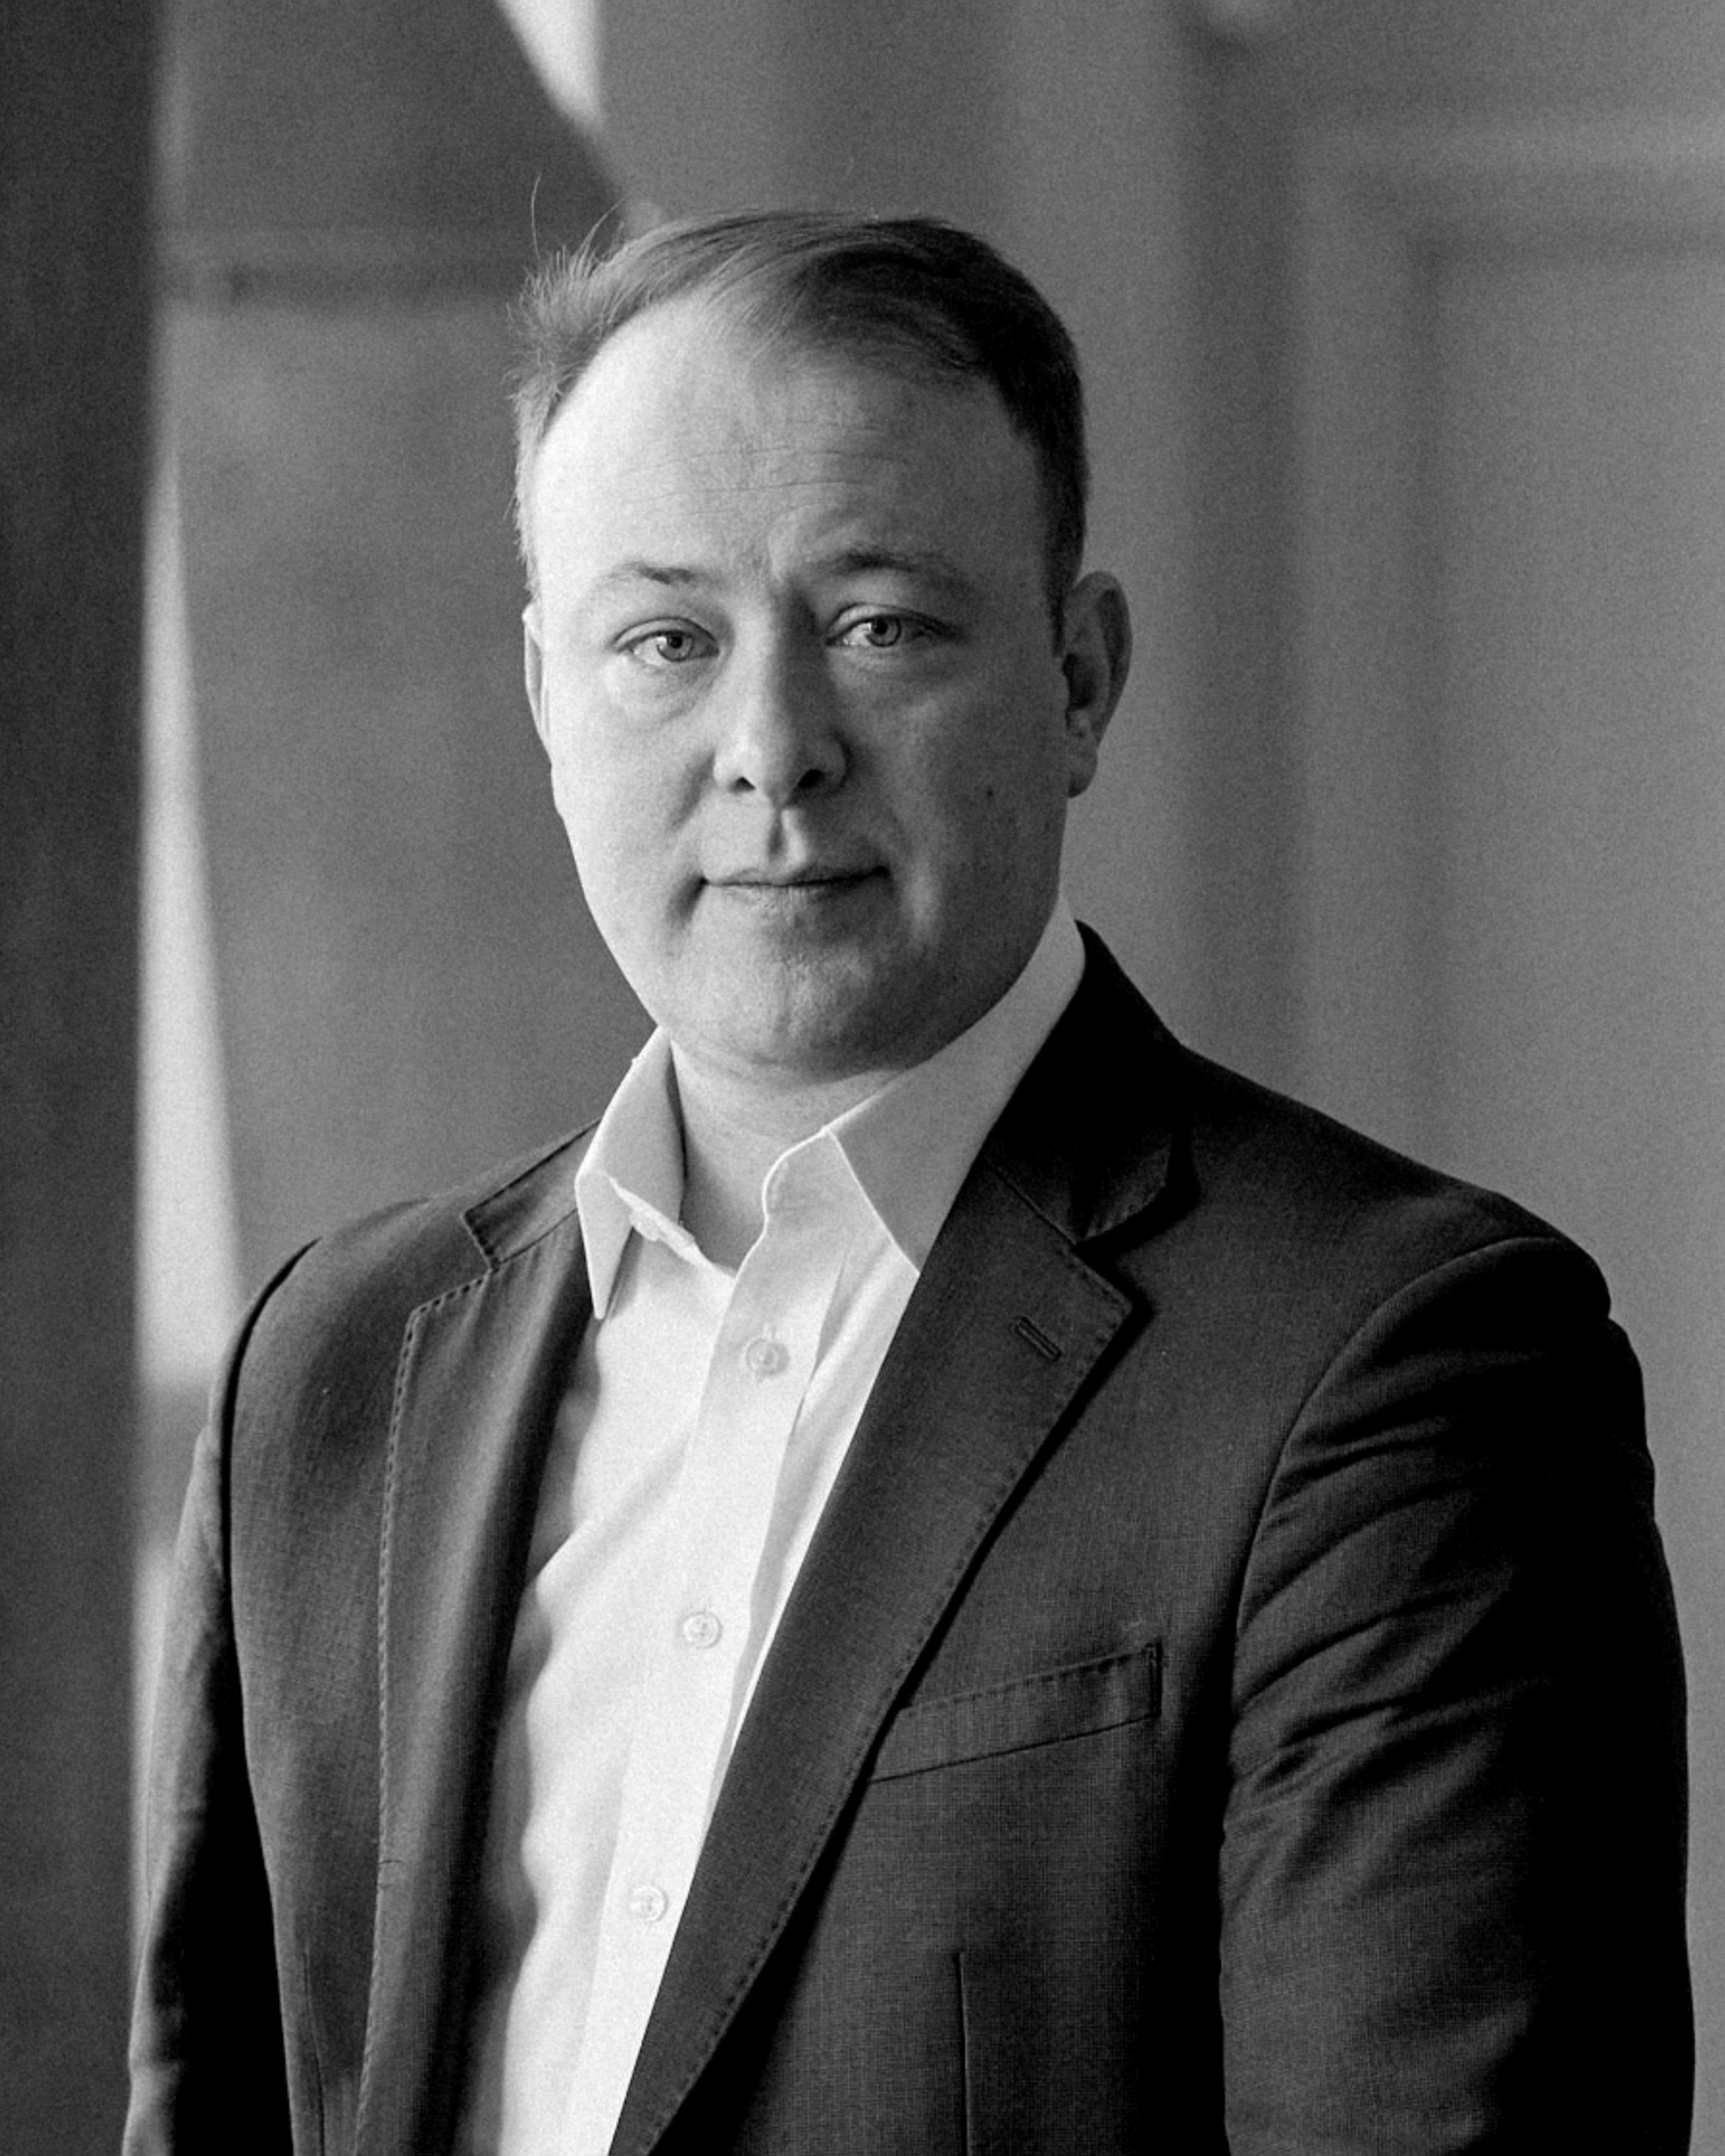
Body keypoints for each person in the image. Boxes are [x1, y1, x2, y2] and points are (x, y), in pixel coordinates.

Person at [126, 211, 1691, 2155]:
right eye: (665, 641)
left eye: (879, 624)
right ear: (545, 695)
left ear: (1079, 680)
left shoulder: (1399, 1365)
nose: (772, 750)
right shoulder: (335, 1365)